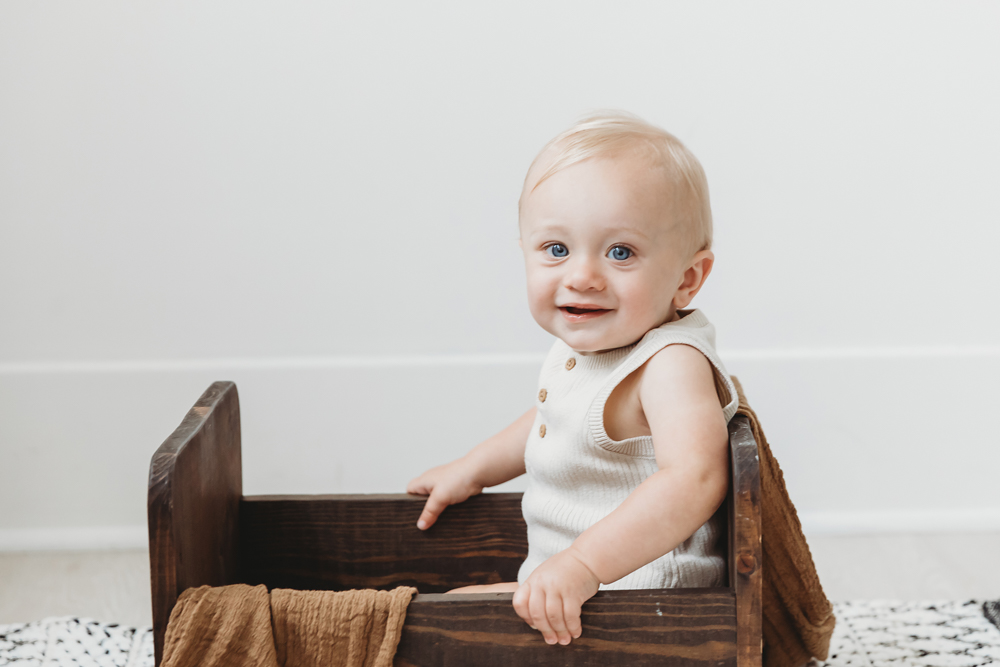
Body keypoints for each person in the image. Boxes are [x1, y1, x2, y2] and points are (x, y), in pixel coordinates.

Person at [406, 110, 739, 647]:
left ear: (687, 278)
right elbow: (554, 418)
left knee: (439, 628)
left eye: (620, 252)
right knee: (444, 614)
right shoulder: (589, 346)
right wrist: (474, 469)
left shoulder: (669, 363)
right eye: (556, 250)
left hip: (641, 599)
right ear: (525, 253)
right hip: (570, 582)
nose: (581, 277)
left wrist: (583, 562)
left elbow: (694, 480)